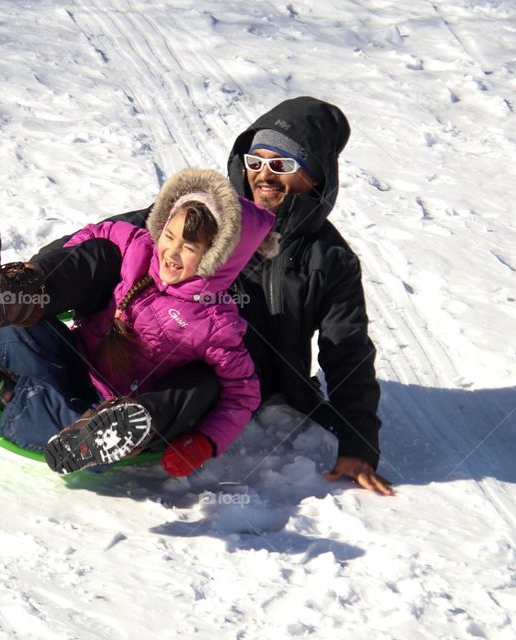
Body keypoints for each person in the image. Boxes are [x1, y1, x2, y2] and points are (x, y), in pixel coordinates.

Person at [47, 97, 392, 495]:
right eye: (256, 162)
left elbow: (347, 348)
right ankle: (20, 297)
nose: (264, 175)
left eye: (281, 165)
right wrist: (44, 273)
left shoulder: (329, 260)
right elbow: (105, 237)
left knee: (201, 381)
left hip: (223, 373)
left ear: (315, 177)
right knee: (111, 249)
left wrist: (358, 441)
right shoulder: (215, 217)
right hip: (149, 340)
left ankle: (119, 427)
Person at [0, 168, 277, 476]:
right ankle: (3, 300)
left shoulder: (215, 322)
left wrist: (207, 441)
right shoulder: (137, 246)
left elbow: (241, 392)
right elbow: (93, 236)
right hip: (74, 364)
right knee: (40, 311)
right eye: (170, 235)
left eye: (189, 247)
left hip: (115, 413)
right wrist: (52, 279)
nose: (172, 252)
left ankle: (16, 396)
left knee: (202, 383)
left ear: (217, 259)